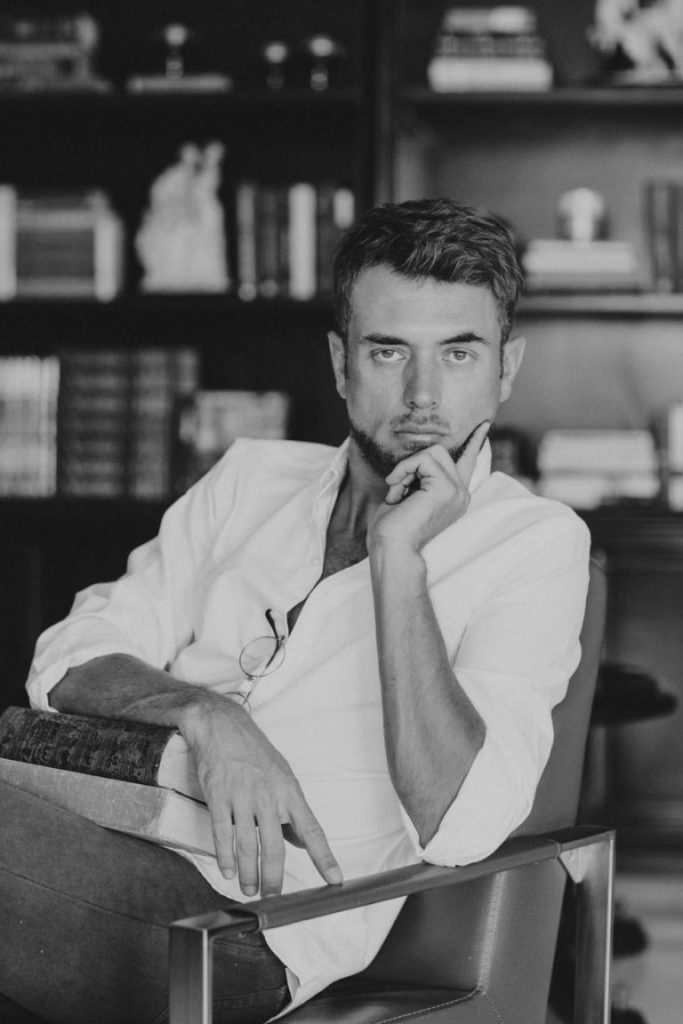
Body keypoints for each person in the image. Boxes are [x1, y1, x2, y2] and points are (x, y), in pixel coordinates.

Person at [0, 198, 590, 1024]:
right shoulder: (252, 478)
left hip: (248, 925)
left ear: (505, 367)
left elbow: (462, 827)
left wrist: (398, 560)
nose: (422, 394)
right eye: (387, 351)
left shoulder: (534, 543)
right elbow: (67, 657)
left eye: (458, 353)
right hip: (101, 821)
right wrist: (209, 716)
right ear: (341, 363)